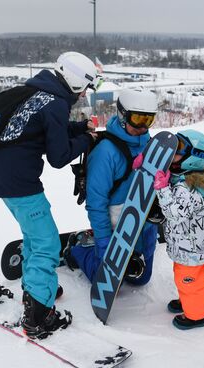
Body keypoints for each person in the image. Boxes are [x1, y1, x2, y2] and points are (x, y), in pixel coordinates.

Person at [0, 51, 100, 339]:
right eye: (86, 86)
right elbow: (59, 156)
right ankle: (38, 315)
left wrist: (77, 128)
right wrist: (86, 139)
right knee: (47, 244)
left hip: (4, 179)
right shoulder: (55, 103)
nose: (86, 92)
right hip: (20, 183)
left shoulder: (38, 91)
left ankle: (36, 290)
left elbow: (42, 132)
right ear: (74, 81)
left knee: (35, 238)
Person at [67, 89, 159, 287]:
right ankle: (79, 247)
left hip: (141, 224)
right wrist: (104, 241)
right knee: (105, 280)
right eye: (138, 119)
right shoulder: (106, 152)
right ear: (123, 115)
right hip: (114, 224)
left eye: (148, 121)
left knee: (141, 279)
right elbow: (96, 202)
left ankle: (137, 250)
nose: (143, 127)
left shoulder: (152, 146)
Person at [153, 129, 204, 330]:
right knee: (184, 279)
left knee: (190, 281)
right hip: (186, 247)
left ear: (194, 157)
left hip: (192, 250)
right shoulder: (183, 179)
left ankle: (197, 316)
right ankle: (187, 300)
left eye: (178, 148)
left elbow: (174, 213)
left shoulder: (188, 187)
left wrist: (161, 188)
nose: (173, 152)